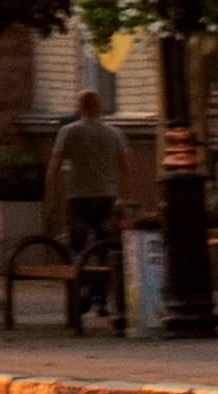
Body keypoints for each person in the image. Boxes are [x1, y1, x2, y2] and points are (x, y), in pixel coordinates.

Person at [40, 77, 142, 333]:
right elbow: (127, 168)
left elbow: (54, 166)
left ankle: (79, 292)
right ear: (99, 107)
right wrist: (125, 198)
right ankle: (101, 299)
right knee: (105, 249)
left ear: (80, 107)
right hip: (106, 198)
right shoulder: (114, 133)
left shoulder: (68, 132)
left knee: (76, 248)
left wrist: (51, 195)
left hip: (78, 198)